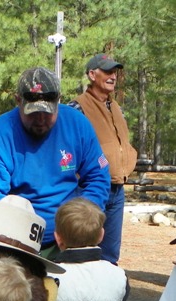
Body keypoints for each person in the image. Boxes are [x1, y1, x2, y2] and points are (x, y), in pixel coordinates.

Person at [0, 66, 110, 251]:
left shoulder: (77, 124)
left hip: (71, 238)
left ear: (58, 101)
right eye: (33, 113)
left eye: (47, 113)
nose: (40, 119)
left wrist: (79, 220)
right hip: (16, 239)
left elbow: (98, 177)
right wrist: (23, 229)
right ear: (18, 101)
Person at [69, 54, 138, 265]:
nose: (113, 76)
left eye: (114, 72)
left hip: (117, 188)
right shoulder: (77, 108)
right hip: (89, 187)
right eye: (107, 71)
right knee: (83, 246)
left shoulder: (117, 107)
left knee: (110, 254)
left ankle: (108, 293)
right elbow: (69, 149)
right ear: (92, 75)